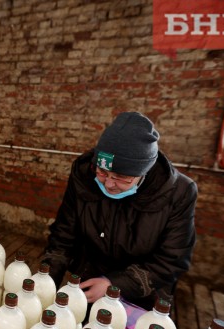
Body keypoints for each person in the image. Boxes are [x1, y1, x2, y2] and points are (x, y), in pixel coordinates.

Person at [44, 112, 197, 312]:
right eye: (102, 172)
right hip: (88, 280)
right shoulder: (84, 176)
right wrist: (45, 281)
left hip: (141, 294)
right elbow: (63, 235)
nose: (108, 184)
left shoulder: (179, 193)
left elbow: (171, 260)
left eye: (121, 178)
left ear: (144, 173)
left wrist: (114, 284)